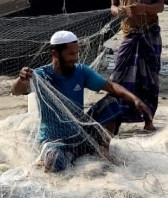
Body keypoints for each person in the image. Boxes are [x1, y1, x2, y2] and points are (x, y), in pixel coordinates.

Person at [12, 30, 153, 173]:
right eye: (71, 54)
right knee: (55, 163)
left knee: (111, 102)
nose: (75, 58)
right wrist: (21, 79)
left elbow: (111, 87)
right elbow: (15, 91)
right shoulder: (41, 75)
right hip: (55, 140)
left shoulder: (81, 71)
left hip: (81, 132)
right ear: (55, 54)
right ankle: (62, 155)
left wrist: (136, 100)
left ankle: (102, 151)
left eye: (77, 53)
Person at [109, 0, 164, 133]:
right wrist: (119, 11)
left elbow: (160, 6)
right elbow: (113, 6)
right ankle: (116, 120)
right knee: (120, 75)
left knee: (149, 78)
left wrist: (144, 8)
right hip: (129, 35)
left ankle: (148, 121)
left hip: (150, 35)